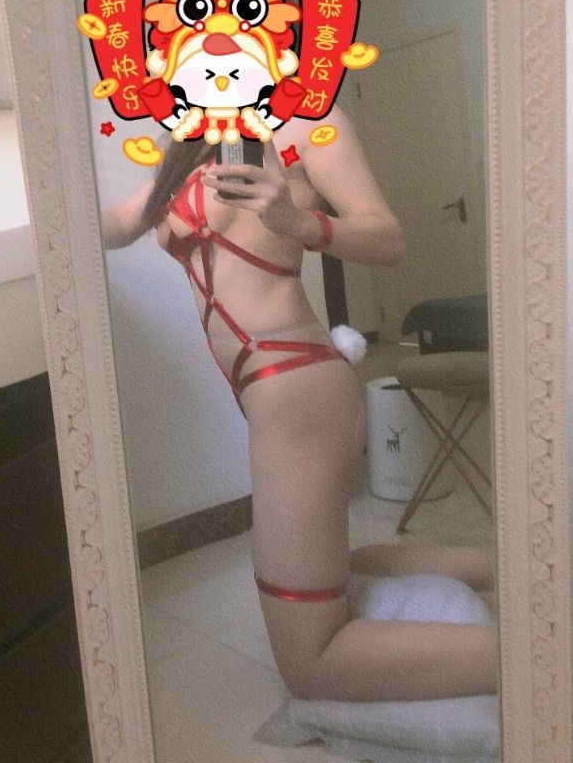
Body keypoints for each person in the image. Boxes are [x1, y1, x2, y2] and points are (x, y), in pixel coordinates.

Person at [102, 102, 498, 702]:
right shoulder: (190, 138)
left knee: (311, 666)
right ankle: (523, 570)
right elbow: (122, 221)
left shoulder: (308, 122)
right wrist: (51, 205)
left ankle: (544, 652)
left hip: (298, 387)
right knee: (334, 567)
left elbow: (388, 238)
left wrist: (297, 221)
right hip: (268, 391)